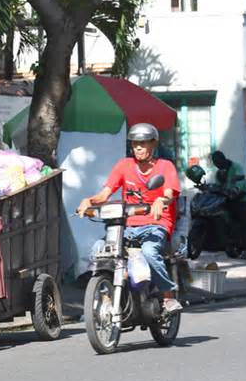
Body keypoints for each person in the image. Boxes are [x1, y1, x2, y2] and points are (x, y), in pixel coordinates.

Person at [78, 123, 183, 313]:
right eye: (135, 144)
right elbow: (104, 195)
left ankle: (168, 296)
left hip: (155, 224)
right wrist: (88, 201)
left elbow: (169, 193)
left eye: (143, 143)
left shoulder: (165, 167)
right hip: (125, 226)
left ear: (153, 144)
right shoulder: (124, 165)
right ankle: (104, 297)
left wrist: (161, 200)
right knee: (99, 251)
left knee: (150, 252)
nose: (139, 147)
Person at [211, 150, 246, 251]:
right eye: (215, 163)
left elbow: (240, 183)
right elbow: (218, 186)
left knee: (243, 223)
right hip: (227, 200)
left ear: (223, 159)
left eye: (218, 161)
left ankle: (245, 249)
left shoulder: (236, 167)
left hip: (241, 199)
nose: (217, 164)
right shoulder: (219, 173)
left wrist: (234, 191)